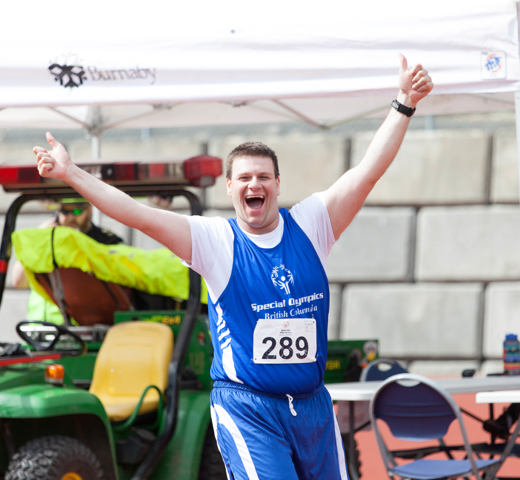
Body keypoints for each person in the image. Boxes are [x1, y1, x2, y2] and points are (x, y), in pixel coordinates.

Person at [32, 54, 433, 479]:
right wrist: (72, 173)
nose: (254, 185)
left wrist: (404, 102)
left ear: (278, 184)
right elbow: (134, 213)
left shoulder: (313, 223)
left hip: (312, 404)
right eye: (243, 178)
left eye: (262, 177)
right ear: (230, 187)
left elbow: (366, 173)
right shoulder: (216, 241)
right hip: (249, 406)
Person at [12, 199, 123, 323]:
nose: (69, 218)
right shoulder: (43, 240)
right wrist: (38, 240)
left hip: (82, 331)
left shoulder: (106, 242)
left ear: (90, 209)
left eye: (77, 211)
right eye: (65, 211)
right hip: (39, 328)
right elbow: (19, 282)